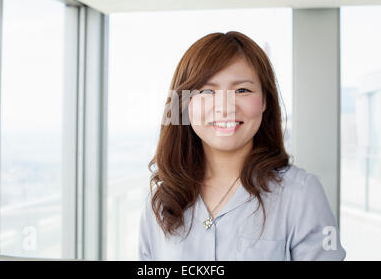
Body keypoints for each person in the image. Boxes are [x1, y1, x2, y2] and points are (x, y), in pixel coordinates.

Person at [137, 31, 346, 261]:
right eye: (207, 91)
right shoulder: (161, 201)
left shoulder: (302, 195)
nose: (225, 107)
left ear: (265, 100)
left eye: (242, 90)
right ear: (185, 103)